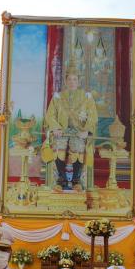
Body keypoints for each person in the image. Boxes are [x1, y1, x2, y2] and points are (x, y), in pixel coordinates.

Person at [44, 61, 98, 192]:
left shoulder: (86, 97)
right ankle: (61, 179)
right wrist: (55, 128)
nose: (72, 82)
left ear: (78, 81)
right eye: (69, 79)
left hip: (79, 131)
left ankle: (76, 180)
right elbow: (50, 115)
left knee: (78, 145)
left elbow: (93, 116)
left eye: (75, 79)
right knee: (58, 145)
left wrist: (86, 131)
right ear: (65, 81)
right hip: (62, 131)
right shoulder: (58, 97)